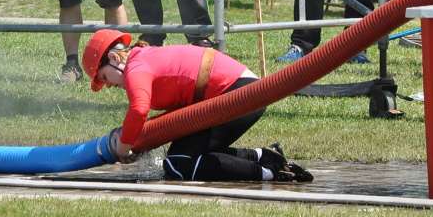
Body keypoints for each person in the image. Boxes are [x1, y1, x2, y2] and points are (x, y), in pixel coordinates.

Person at [83, 29, 312, 182]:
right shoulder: (143, 58)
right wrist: (142, 140)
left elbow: (139, 109)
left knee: (178, 164)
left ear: (114, 59)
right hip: (237, 92)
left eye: (104, 77)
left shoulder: (136, 67)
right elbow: (177, 115)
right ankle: (264, 157)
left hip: (238, 95)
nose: (108, 85)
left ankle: (273, 173)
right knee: (183, 158)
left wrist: (124, 146)